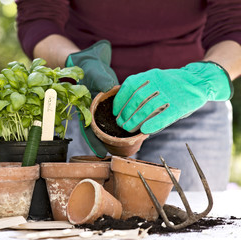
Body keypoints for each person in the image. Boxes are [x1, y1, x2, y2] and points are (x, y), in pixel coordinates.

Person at [15, 0, 241, 191]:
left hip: (187, 103)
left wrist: (201, 80)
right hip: (86, 101)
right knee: (80, 218)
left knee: (190, 221)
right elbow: (39, 19)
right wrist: (78, 63)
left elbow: (234, 26)